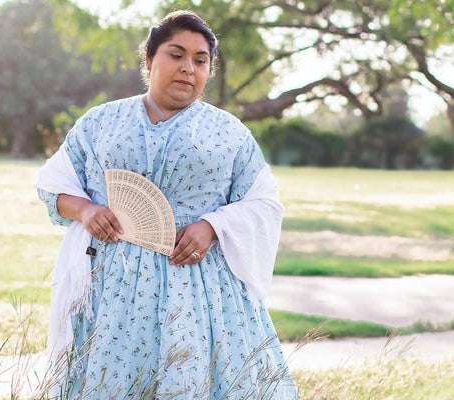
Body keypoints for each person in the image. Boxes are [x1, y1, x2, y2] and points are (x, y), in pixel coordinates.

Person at [36, 10, 299, 400]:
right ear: (149, 59)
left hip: (198, 281)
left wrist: (212, 226)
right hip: (112, 283)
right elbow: (51, 184)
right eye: (176, 55)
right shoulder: (101, 122)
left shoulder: (229, 133)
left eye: (200, 60)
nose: (188, 68)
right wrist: (87, 211)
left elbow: (264, 203)